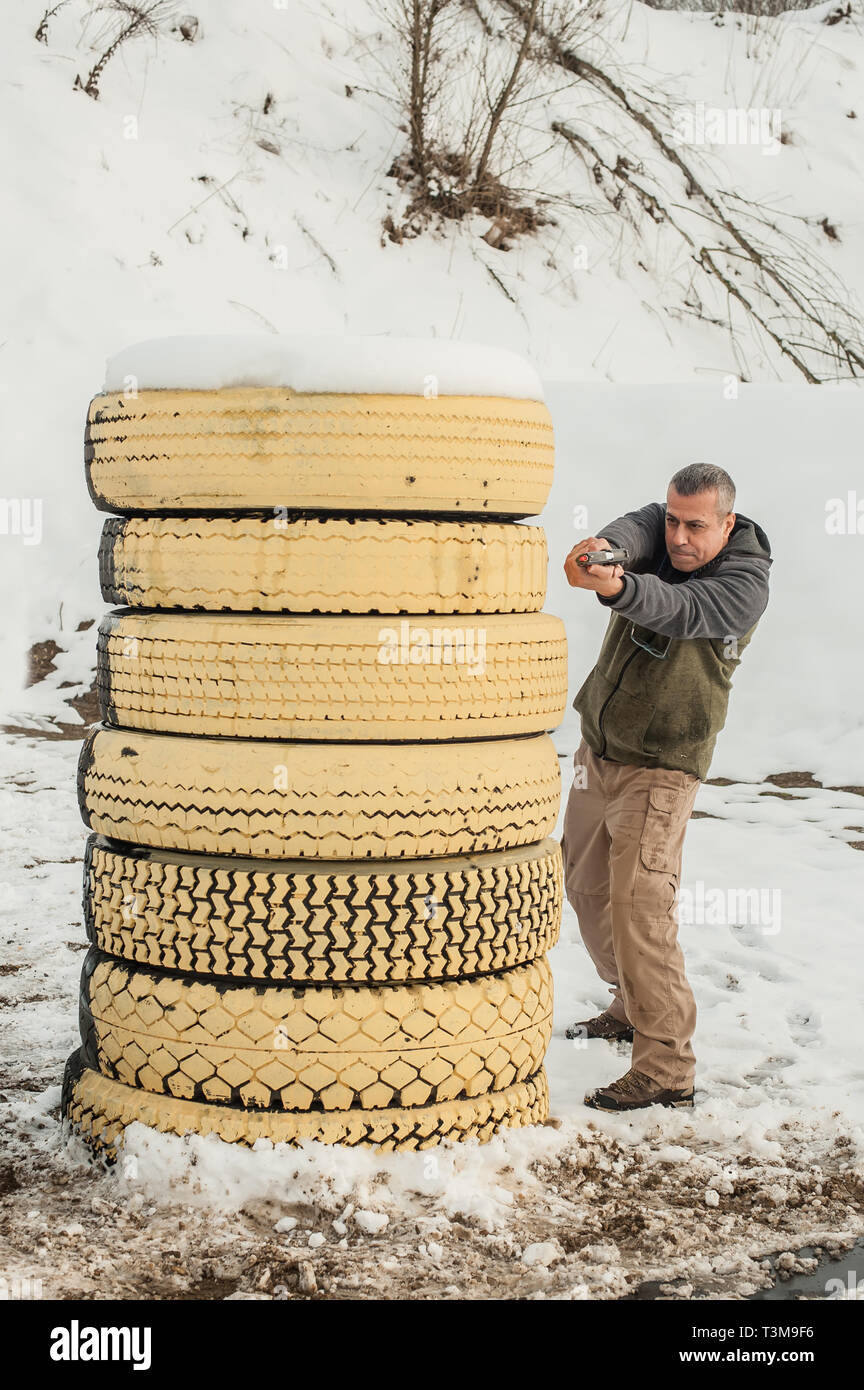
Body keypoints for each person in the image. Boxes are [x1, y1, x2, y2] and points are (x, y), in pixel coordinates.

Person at [561, 463, 772, 1112]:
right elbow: (636, 526)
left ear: (728, 523)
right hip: (599, 750)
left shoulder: (742, 586)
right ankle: (630, 1005)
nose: (680, 536)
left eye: (696, 525)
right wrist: (605, 550)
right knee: (585, 887)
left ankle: (667, 1065)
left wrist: (618, 585)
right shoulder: (665, 525)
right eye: (675, 520)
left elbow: (679, 609)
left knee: (640, 909)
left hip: (662, 766)